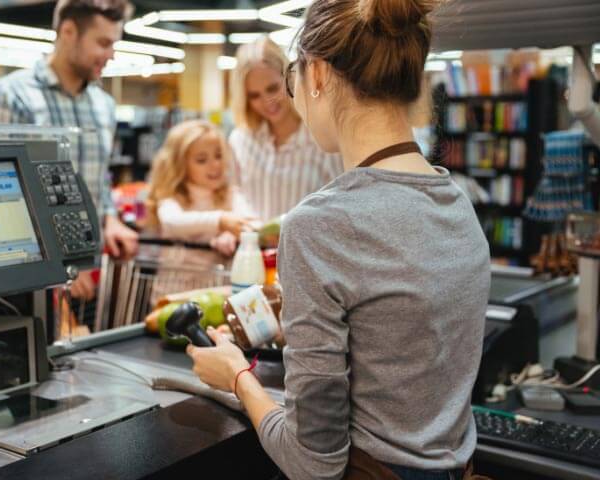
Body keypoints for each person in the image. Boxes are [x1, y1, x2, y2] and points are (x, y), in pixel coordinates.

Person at [187, 1, 491, 480]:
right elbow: (400, 346)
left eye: (292, 76)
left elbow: (314, 462)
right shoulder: (458, 205)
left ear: (319, 74)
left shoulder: (317, 225)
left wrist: (238, 378)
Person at [0, 0, 138, 301]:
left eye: (114, 45)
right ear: (68, 31)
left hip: (87, 274)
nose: (111, 55)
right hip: (25, 279)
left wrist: (109, 218)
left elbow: (97, 178)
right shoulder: (13, 97)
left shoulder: (103, 106)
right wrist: (57, 264)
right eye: (103, 43)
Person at [229, 37, 344, 222]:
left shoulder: (322, 139)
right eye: (254, 95)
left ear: (290, 78)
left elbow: (342, 202)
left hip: (307, 248)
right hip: (252, 249)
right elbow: (232, 190)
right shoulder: (240, 140)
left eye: (273, 88)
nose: (267, 102)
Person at [146, 120, 256, 257]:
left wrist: (232, 234)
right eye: (201, 160)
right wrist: (221, 221)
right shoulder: (172, 197)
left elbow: (252, 224)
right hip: (175, 278)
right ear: (180, 165)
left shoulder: (230, 195)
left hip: (219, 278)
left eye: (218, 155)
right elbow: (171, 222)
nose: (215, 165)